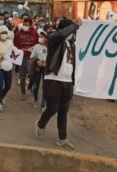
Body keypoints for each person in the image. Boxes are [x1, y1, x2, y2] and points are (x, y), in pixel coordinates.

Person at [35, 18, 82, 150]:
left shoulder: (72, 44)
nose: (73, 33)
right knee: (53, 108)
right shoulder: (54, 39)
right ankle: (41, 124)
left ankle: (63, 138)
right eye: (71, 29)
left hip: (67, 82)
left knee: (63, 110)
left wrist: (73, 80)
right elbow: (60, 35)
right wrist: (75, 25)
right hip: (53, 79)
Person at [14, 17, 38, 100]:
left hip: (32, 57)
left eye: (27, 25)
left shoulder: (35, 33)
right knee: (22, 76)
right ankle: (23, 93)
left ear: (31, 25)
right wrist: (20, 49)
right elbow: (14, 45)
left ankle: (30, 86)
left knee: (33, 75)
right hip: (22, 57)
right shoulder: (18, 34)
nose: (25, 26)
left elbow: (37, 45)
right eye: (24, 24)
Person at [28, 30, 48, 110]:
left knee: (45, 86)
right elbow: (32, 57)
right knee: (36, 85)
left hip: (46, 68)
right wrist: (37, 61)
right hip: (37, 68)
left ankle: (43, 104)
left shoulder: (49, 47)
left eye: (42, 37)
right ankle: (35, 100)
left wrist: (46, 62)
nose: (40, 38)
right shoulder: (36, 46)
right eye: (39, 37)